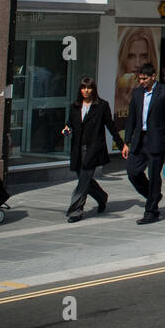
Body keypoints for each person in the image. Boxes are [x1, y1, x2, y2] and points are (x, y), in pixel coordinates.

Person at [121, 63, 165, 224]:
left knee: (154, 176)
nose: (142, 82)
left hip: (157, 141)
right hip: (139, 140)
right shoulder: (137, 93)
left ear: (153, 76)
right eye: (139, 79)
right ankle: (153, 195)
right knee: (132, 172)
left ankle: (151, 211)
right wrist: (126, 142)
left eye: (145, 78)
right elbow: (131, 117)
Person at [61, 77, 121, 222]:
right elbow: (70, 123)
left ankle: (75, 211)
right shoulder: (75, 106)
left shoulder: (101, 106)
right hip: (78, 148)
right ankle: (102, 197)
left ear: (93, 89)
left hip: (93, 149)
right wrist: (67, 129)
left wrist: (121, 144)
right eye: (83, 88)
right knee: (83, 177)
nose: (85, 91)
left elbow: (110, 125)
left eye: (88, 88)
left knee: (83, 181)